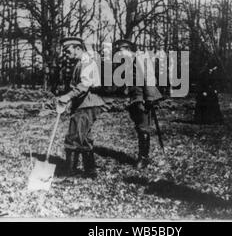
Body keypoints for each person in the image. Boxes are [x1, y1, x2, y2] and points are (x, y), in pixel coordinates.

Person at [56, 37, 106, 179]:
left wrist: (67, 96)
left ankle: (69, 173)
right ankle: (90, 172)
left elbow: (84, 86)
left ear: (77, 48)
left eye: (68, 50)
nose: (66, 53)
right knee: (84, 138)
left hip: (87, 103)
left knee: (73, 137)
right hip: (84, 103)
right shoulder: (80, 62)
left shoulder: (87, 62)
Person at [113, 39, 163, 169]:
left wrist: (150, 97)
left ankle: (143, 158)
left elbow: (149, 77)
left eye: (121, 51)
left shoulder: (140, 58)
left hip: (143, 97)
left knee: (143, 127)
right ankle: (143, 156)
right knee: (138, 126)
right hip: (134, 97)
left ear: (128, 50)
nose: (120, 54)